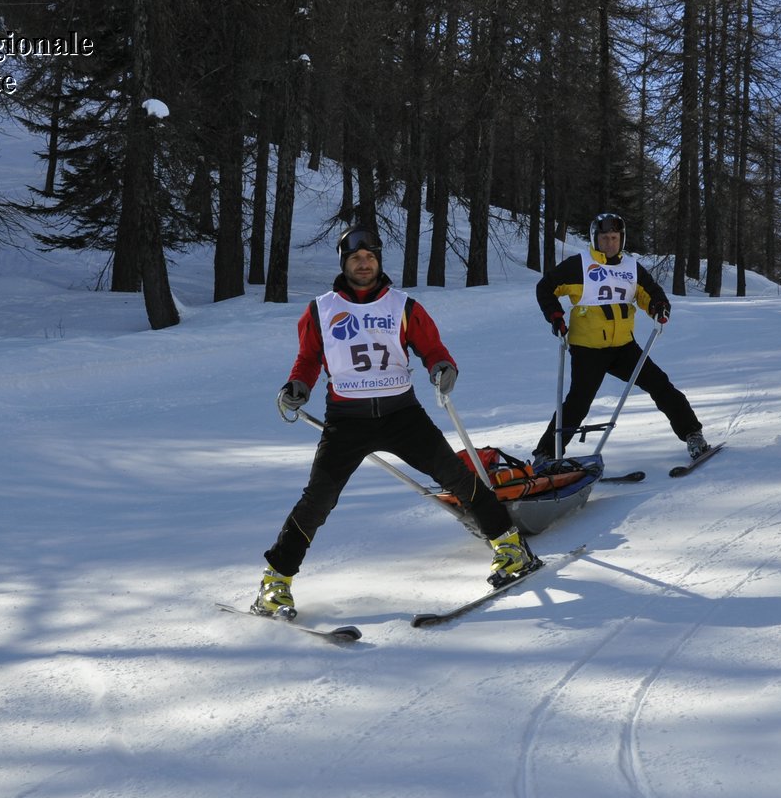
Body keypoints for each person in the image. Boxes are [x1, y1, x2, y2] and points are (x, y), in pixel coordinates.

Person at [253, 226, 540, 618]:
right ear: (345, 263)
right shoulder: (320, 309)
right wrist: (298, 386)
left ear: (378, 261)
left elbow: (432, 349)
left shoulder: (403, 306)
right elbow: (308, 359)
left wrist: (442, 367)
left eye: (369, 257)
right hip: (347, 419)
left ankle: (510, 546)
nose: (364, 263)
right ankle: (275, 581)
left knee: (456, 475)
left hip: (401, 413)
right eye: (356, 258)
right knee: (317, 499)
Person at [533, 212, 707, 461]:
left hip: (624, 348)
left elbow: (652, 294)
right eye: (604, 238)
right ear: (595, 239)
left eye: (615, 237)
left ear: (622, 239)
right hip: (587, 349)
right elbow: (545, 287)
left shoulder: (631, 268)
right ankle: (546, 453)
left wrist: (659, 307)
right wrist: (555, 316)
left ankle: (693, 433)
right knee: (578, 404)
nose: (610, 243)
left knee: (661, 385)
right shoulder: (578, 265)